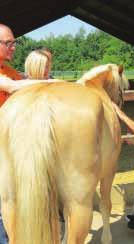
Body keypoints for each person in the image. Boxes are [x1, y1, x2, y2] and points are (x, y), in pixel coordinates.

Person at [0, 24, 59, 244]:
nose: (13, 47)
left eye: (14, 42)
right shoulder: (6, 76)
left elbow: (23, 86)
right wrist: (54, 83)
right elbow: (12, 88)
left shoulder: (10, 71)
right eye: (8, 43)